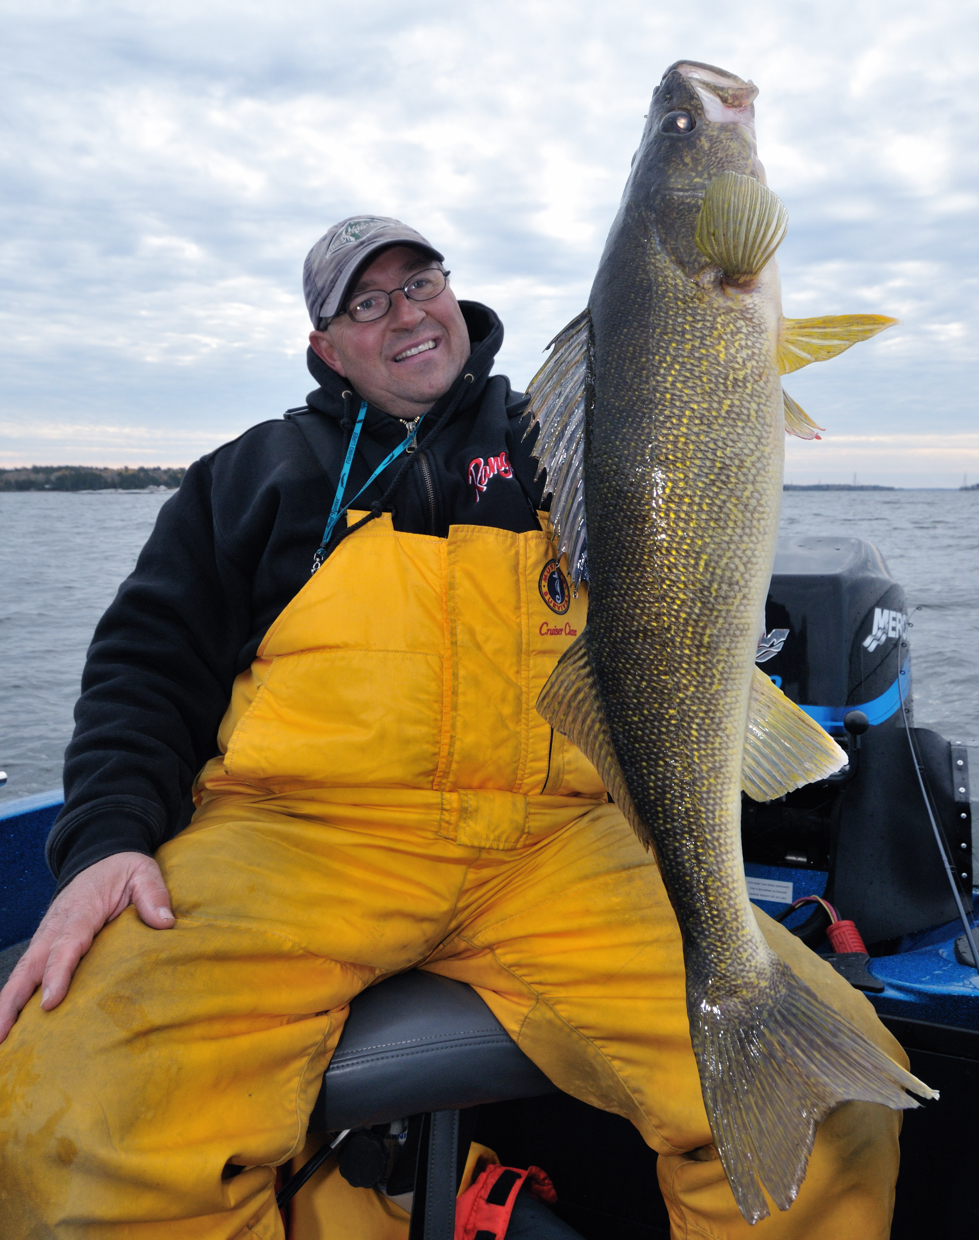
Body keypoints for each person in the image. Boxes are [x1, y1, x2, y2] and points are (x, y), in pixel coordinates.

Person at [0, 216, 909, 1239]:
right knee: (72, 1107)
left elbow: (684, 445)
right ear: (324, 345)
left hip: (557, 842)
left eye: (419, 281)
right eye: (365, 302)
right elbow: (143, 674)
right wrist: (108, 842)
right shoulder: (249, 479)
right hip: (301, 840)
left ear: (455, 295)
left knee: (829, 1087)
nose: (405, 313)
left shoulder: (565, 439)